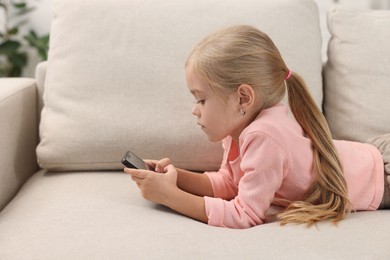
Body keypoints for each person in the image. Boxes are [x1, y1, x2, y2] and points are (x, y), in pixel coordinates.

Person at [124, 25, 390, 229]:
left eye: (201, 99)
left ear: (243, 98)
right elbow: (230, 184)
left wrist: (171, 197)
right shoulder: (240, 129)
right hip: (372, 154)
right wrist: (175, 178)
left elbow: (244, 215)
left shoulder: (264, 136)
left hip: (383, 175)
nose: (194, 109)